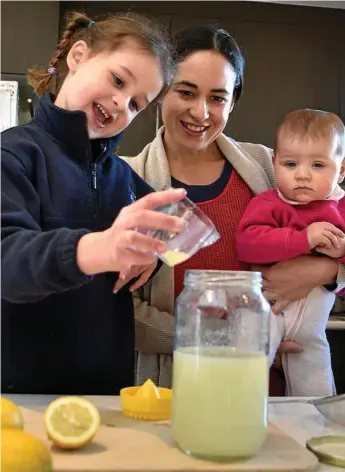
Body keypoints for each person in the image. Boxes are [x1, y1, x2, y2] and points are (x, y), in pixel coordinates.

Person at [120, 25, 345, 393]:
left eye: (218, 98)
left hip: (273, 393)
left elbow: (337, 230)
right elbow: (118, 311)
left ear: (233, 101)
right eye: (186, 91)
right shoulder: (129, 181)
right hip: (175, 387)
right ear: (161, 91)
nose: (201, 112)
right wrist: (230, 343)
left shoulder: (273, 167)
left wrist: (327, 268)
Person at [1, 11, 188, 395]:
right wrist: (98, 248)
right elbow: (7, 258)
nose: (121, 103)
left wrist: (151, 255)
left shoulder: (127, 180)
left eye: (137, 104)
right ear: (79, 56)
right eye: (118, 80)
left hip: (107, 397)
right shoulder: (13, 155)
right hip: (18, 396)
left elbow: (176, 240)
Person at [236, 109, 345, 396]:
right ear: (275, 164)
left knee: (316, 391)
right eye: (290, 164)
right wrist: (302, 239)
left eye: (318, 165)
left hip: (311, 333)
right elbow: (247, 243)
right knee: (247, 376)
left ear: (341, 170)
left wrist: (341, 253)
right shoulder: (269, 203)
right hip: (266, 316)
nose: (302, 175)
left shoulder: (341, 208)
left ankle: (315, 433)